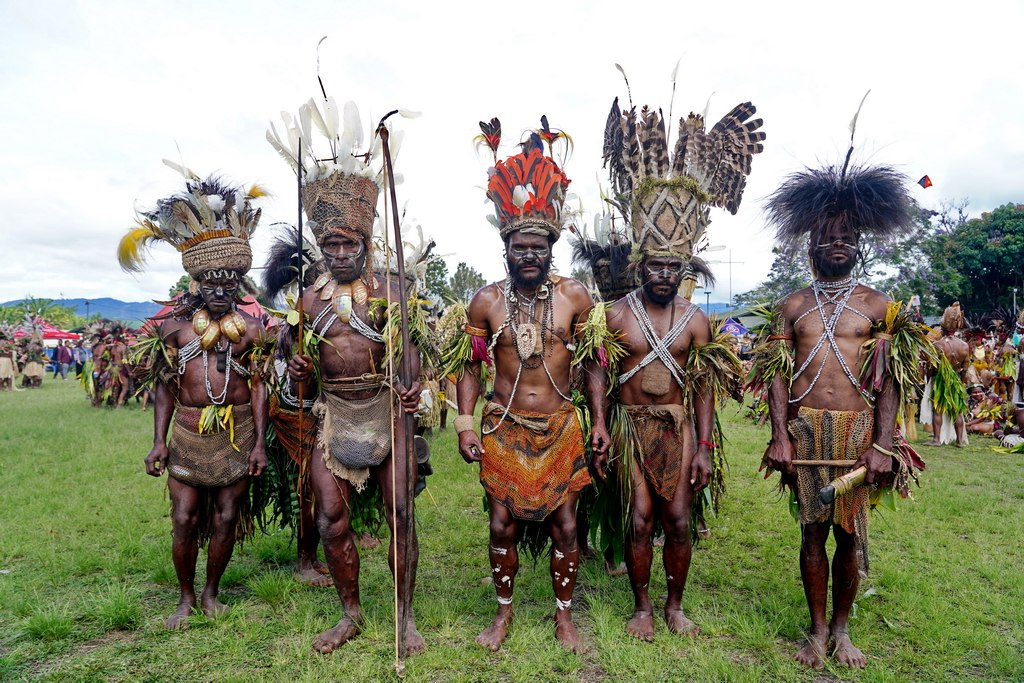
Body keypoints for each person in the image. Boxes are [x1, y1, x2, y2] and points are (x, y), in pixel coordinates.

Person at [597, 96, 761, 640]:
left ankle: (674, 606)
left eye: (674, 265)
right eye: (656, 264)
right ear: (641, 264)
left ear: (684, 265)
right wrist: (599, 426)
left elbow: (708, 389)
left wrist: (707, 447)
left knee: (680, 520)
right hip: (629, 427)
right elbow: (595, 375)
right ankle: (642, 607)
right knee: (640, 518)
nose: (664, 272)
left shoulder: (696, 323)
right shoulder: (616, 314)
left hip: (679, 426)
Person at [754, 156, 926, 669]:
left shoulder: (879, 306)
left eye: (847, 237)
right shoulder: (791, 305)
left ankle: (844, 631)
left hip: (858, 434)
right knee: (811, 532)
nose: (837, 244)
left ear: (859, 245)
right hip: (807, 431)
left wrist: (883, 443)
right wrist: (780, 436)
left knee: (848, 535)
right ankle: (816, 630)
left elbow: (891, 379)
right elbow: (778, 377)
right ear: (811, 244)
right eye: (828, 237)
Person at [449, 122, 610, 653]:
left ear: (550, 246)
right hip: (503, 425)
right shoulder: (486, 302)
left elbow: (593, 365)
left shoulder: (576, 298)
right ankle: (503, 614)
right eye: (520, 246)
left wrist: (601, 424)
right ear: (506, 247)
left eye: (538, 246)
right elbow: (469, 368)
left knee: (567, 525)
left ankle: (565, 617)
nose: (529, 255)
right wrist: (466, 423)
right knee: (502, 525)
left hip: (561, 427)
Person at [274, 98, 427, 655]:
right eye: (331, 244)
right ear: (322, 245)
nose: (340, 253)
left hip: (387, 412)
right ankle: (351, 612)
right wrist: (298, 372)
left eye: (349, 244)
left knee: (400, 516)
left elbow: (412, 356)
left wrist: (412, 384)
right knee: (331, 521)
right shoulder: (308, 303)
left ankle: (405, 617)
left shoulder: (395, 290)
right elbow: (302, 386)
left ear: (366, 242)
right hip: (334, 414)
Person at [119, 167, 269, 629]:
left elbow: (261, 385)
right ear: (197, 285)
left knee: (226, 516)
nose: (221, 293)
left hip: (238, 431)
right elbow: (165, 386)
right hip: (186, 432)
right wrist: (158, 440)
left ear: (239, 286)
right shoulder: (175, 329)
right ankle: (184, 597)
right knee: (184, 518)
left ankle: (210, 594)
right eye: (212, 286)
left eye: (229, 285)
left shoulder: (253, 331)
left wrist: (261, 442)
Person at [922, 304, 970, 446]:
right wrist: (960, 382)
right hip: (956, 379)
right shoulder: (964, 345)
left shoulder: (937, 345)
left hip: (939, 380)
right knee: (957, 410)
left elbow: (932, 366)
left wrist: (930, 377)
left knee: (938, 409)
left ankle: (936, 439)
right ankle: (960, 441)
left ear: (942, 327)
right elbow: (965, 367)